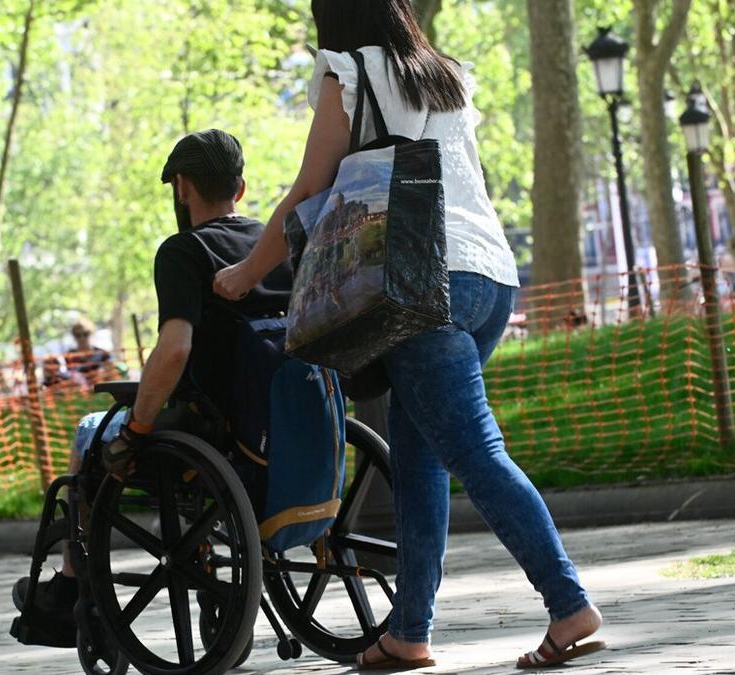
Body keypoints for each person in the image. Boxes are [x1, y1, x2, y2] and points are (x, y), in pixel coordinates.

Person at [212, 1, 603, 669]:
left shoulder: (347, 74)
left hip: (420, 282)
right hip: (488, 277)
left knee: (475, 453)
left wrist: (245, 273)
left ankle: (569, 604)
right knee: (420, 460)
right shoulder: (444, 73)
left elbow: (311, 187)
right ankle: (409, 631)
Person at [12, 128, 292, 633]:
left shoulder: (183, 252)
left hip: (213, 433)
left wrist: (137, 427)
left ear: (181, 187)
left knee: (90, 432)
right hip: (283, 429)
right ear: (241, 188)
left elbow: (175, 349)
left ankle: (75, 585)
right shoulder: (273, 244)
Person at [63, 318, 113, 386]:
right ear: (74, 336)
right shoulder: (69, 356)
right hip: (78, 393)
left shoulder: (103, 354)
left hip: (100, 390)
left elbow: (111, 374)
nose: (82, 338)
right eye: (78, 335)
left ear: (91, 333)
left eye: (85, 334)